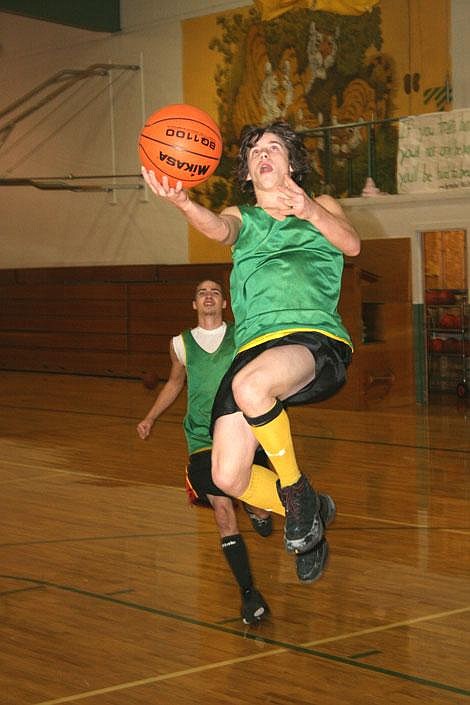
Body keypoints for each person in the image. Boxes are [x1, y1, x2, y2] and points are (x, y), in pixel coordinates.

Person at [142, 120, 359, 582]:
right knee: (226, 476)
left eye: (275, 147)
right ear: (246, 172)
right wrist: (183, 202)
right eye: (256, 150)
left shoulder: (321, 206)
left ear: (291, 163)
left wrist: (309, 211)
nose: (264, 154)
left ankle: (296, 491)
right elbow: (219, 229)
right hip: (254, 350)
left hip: (312, 339)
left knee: (251, 385)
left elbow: (352, 244)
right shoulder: (243, 216)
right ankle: (312, 512)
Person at [137, 279, 273, 625]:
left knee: (256, 499)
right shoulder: (180, 344)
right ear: (194, 304)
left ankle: (259, 511)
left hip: (243, 429)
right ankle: (249, 594)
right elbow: (175, 382)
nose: (208, 295)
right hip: (201, 437)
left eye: (214, 291)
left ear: (224, 303)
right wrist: (151, 417)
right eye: (201, 292)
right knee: (223, 512)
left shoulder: (241, 335)